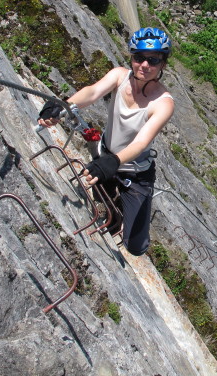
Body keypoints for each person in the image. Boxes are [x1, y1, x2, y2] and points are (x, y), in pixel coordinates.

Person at [38, 27, 175, 256]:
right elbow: (92, 92)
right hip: (107, 157)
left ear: (162, 64)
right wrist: (63, 105)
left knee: (136, 247)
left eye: (153, 60)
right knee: (104, 206)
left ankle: (127, 219)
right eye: (139, 57)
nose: (144, 65)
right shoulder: (120, 76)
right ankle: (114, 215)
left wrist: (113, 161)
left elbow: (141, 143)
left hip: (135, 172)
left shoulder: (163, 103)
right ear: (131, 57)